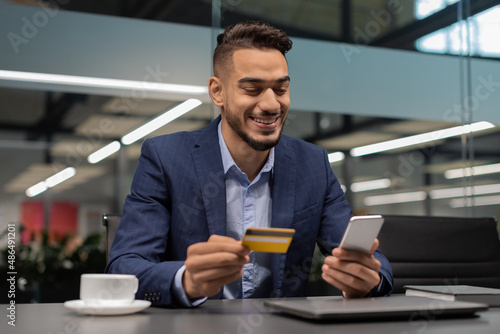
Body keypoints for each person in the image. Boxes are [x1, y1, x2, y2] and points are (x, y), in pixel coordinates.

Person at [106, 21, 393, 307]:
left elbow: (373, 261)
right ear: (217, 92)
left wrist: (367, 279)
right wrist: (186, 280)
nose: (271, 104)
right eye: (253, 89)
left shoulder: (312, 164)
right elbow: (124, 268)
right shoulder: (166, 158)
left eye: (281, 89)